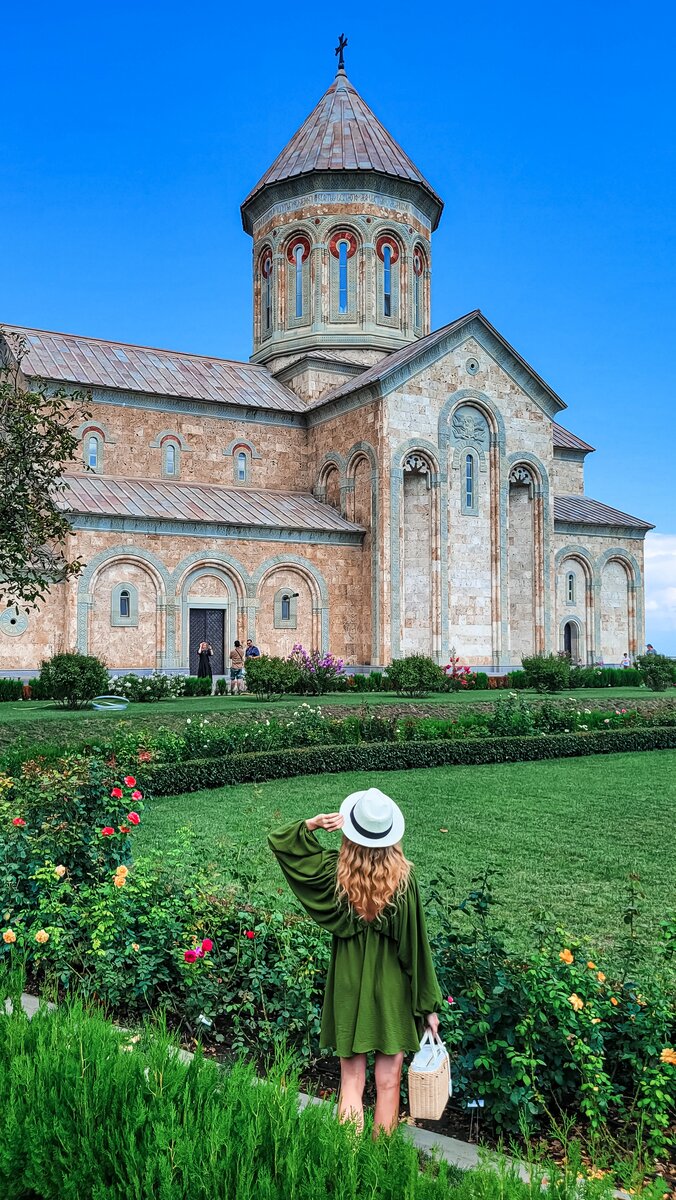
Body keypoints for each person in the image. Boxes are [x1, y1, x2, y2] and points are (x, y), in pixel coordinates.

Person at [269, 787, 442, 1136]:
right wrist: (428, 1006)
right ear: (390, 835)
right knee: (389, 1080)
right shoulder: (403, 880)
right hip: (392, 987)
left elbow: (282, 841)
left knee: (350, 1079)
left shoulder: (335, 874)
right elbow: (416, 947)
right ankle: (380, 1162)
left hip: (348, 983)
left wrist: (313, 824)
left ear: (351, 832)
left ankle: (347, 1161)